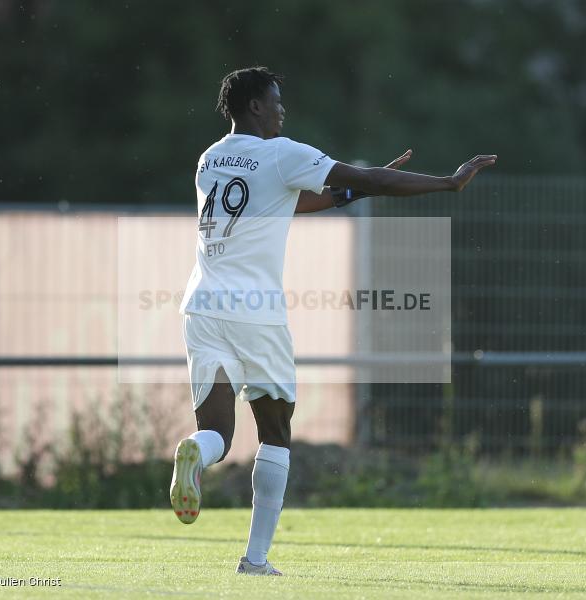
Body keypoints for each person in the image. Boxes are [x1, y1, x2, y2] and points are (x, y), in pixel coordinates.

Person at [170, 66, 496, 576]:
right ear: (254, 105)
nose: (282, 110)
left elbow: (288, 204)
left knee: (216, 433)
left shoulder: (210, 158)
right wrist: (446, 183)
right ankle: (255, 560)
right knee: (275, 432)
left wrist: (358, 189)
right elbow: (367, 178)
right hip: (256, 312)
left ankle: (192, 451)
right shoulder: (283, 153)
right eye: (276, 101)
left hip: (201, 306)